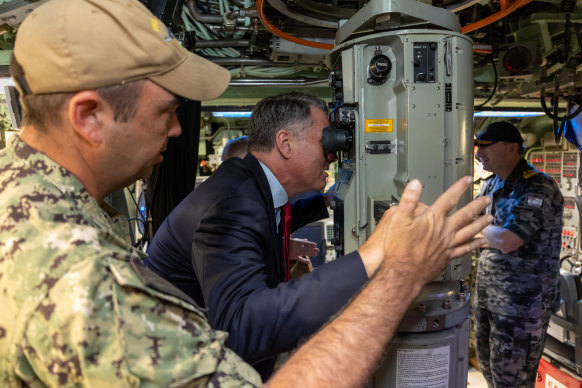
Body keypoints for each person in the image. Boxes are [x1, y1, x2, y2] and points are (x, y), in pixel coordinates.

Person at [0, 0, 491, 385]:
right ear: (89, 117)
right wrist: (394, 266)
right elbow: (242, 328)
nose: (175, 130)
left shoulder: (34, 199)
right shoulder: (73, 272)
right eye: (166, 111)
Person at [473, 121, 564, 387]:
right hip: (488, 298)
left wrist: (484, 229)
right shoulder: (489, 186)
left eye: (486, 147)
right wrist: (492, 235)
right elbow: (480, 236)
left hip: (521, 306)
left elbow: (509, 240)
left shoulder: (538, 187)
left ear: (512, 148)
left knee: (513, 380)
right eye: (478, 147)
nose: (479, 153)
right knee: (490, 373)